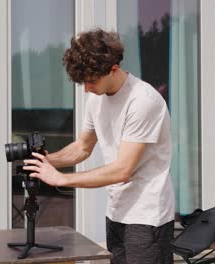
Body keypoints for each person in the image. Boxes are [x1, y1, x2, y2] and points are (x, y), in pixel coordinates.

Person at [22, 29, 175, 264]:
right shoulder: (96, 97)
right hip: (116, 210)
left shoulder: (143, 101)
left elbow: (122, 169)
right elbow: (82, 147)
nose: (86, 89)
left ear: (113, 69)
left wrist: (61, 179)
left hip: (147, 215)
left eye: (91, 81)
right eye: (83, 82)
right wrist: (46, 160)